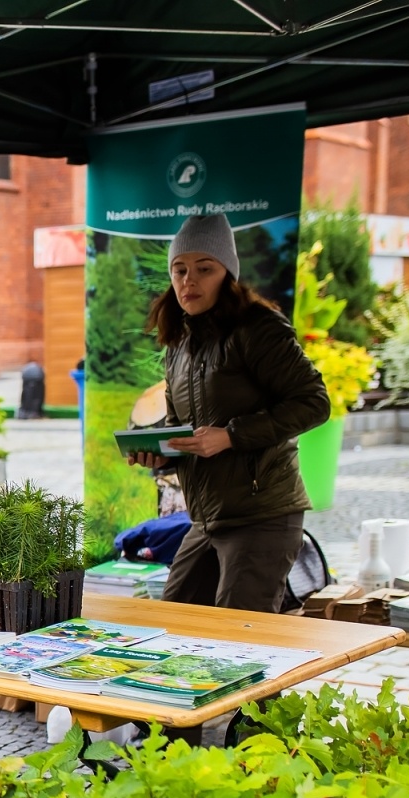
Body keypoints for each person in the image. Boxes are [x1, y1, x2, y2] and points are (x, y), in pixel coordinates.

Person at [129, 213, 328, 612]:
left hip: (262, 515)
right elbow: (179, 427)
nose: (189, 280)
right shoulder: (179, 343)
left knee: (238, 643)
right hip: (206, 519)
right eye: (180, 269)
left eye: (205, 269)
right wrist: (158, 451)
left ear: (228, 273)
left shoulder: (258, 328)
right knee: (176, 625)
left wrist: (231, 435)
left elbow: (314, 403)